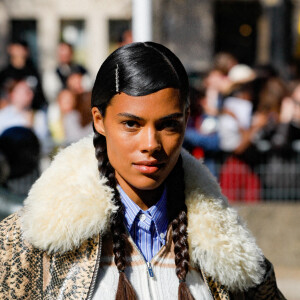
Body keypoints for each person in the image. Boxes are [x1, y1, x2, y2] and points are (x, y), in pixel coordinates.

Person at [0, 42, 284, 299]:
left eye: (168, 125)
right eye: (131, 124)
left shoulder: (231, 252)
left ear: (187, 120)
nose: (151, 144)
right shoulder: (28, 241)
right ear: (99, 120)